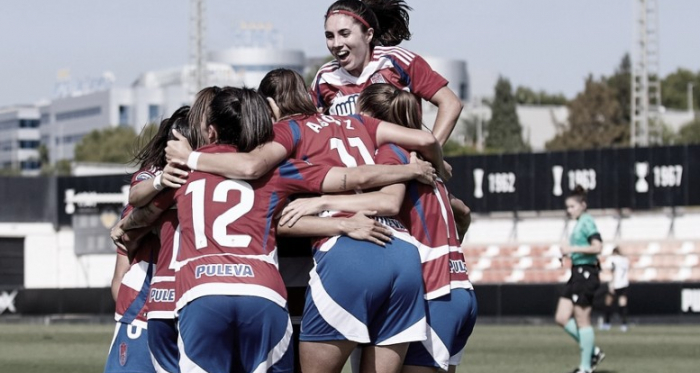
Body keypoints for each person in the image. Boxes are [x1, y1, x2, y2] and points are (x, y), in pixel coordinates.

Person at [278, 83, 477, 373]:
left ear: (371, 117)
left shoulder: (393, 152)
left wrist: (320, 202)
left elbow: (389, 202)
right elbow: (464, 212)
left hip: (434, 291)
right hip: (458, 288)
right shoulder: (422, 163)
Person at [311, 0, 463, 145]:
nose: (336, 43)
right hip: (354, 172)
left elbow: (451, 103)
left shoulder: (396, 61)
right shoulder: (324, 77)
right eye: (329, 36)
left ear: (368, 35)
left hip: (403, 167)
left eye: (345, 34)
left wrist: (430, 155)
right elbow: (304, 127)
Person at [554, 186, 605, 373]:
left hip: (586, 273)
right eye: (568, 207)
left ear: (583, 205)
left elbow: (597, 247)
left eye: (572, 206)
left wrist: (572, 250)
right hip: (576, 272)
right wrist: (567, 254)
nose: (569, 210)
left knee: (583, 320)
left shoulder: (587, 222)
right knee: (561, 317)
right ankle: (593, 351)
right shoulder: (579, 223)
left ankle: (585, 367)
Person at [602, 246, 630, 332]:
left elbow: (612, 271)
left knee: (608, 303)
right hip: (624, 284)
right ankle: (624, 324)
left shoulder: (612, 259)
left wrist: (612, 284)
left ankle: (607, 323)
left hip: (616, 284)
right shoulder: (625, 260)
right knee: (622, 304)